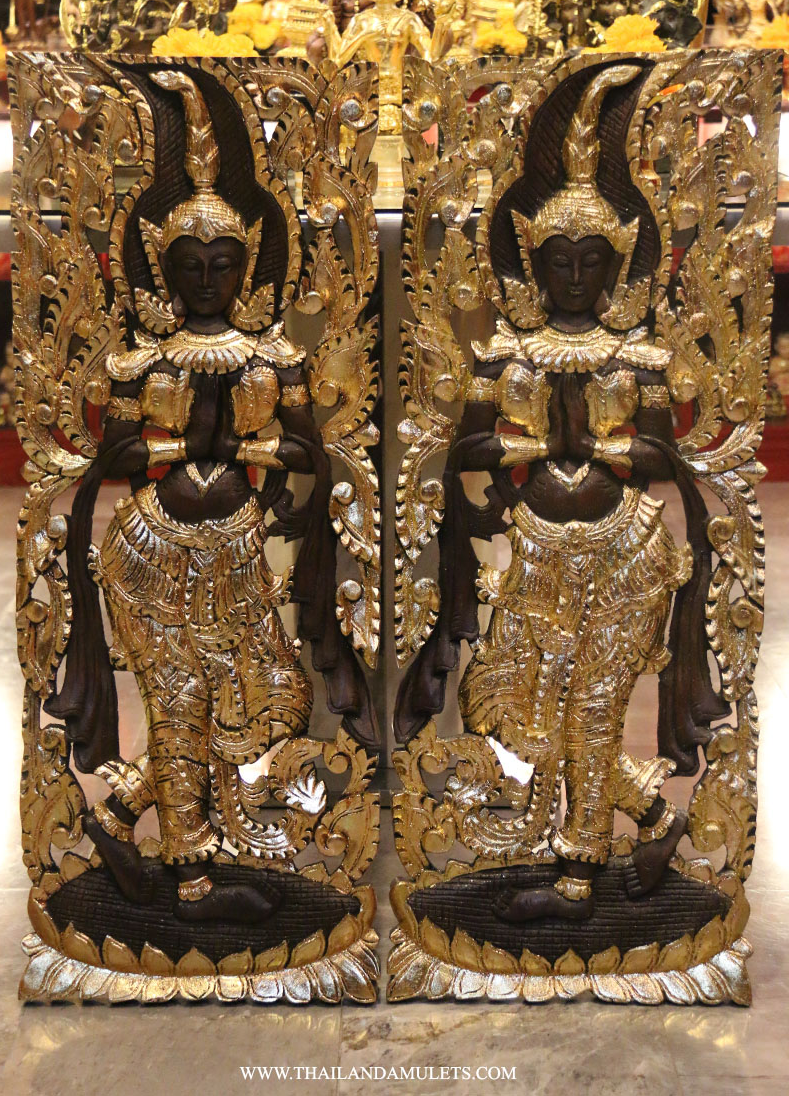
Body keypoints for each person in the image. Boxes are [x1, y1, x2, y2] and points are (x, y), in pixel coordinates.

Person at [396, 65, 726, 922]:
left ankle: (578, 876)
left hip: (626, 550)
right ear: (532, 264)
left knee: (593, 709)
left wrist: (602, 444)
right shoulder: (507, 351)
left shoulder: (637, 356)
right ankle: (651, 815)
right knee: (503, 703)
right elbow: (466, 446)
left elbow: (662, 455)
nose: (575, 277)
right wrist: (540, 442)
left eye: (590, 263)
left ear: (615, 267)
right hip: (536, 553)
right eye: (559, 262)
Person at [49, 71, 376, 923]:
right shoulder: (145, 359)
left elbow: (307, 447)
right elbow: (118, 452)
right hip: (150, 547)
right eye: (188, 267)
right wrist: (200, 445)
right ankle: (192, 879)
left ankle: (122, 811)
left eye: (221, 265)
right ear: (163, 268)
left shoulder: (272, 356)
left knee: (274, 699)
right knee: (181, 700)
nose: (205, 280)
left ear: (249, 264)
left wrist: (243, 449)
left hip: (234, 544)